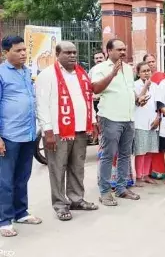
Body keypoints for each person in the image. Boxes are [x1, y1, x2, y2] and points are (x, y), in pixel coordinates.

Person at [36, 41, 99, 221]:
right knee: (58, 168)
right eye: (67, 53)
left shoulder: (81, 73)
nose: (72, 56)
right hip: (57, 131)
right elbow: (42, 105)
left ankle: (76, 199)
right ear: (58, 54)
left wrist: (93, 121)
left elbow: (88, 99)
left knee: (77, 167)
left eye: (74, 53)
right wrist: (47, 131)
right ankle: (60, 204)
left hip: (80, 129)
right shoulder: (48, 75)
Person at [92, 39, 144, 206]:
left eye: (124, 49)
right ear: (109, 51)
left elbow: (128, 89)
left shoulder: (128, 69)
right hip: (110, 118)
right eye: (119, 49)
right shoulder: (99, 69)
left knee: (125, 154)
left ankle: (121, 188)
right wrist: (112, 73)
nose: (123, 52)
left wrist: (138, 99)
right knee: (108, 155)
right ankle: (105, 192)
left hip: (128, 118)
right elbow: (96, 89)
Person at [0, 36, 42, 237]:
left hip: (28, 133)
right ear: (5, 53)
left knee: (22, 177)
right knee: (5, 179)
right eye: (18, 50)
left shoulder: (26, 72)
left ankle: (21, 212)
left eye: (25, 50)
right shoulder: (1, 73)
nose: (23, 53)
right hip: (9, 135)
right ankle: (4, 220)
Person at [133, 62, 160, 187]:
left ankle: (146, 174)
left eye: (148, 70)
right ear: (138, 73)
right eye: (143, 71)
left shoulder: (155, 86)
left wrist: (158, 118)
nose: (146, 73)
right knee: (141, 151)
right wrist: (145, 86)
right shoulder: (135, 85)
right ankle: (139, 176)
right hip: (140, 122)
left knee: (150, 150)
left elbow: (158, 104)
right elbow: (138, 101)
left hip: (153, 122)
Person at [144, 53, 165, 180]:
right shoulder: (141, 81)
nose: (151, 64)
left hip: (159, 114)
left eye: (153, 61)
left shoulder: (161, 76)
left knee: (158, 144)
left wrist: (160, 116)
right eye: (148, 62)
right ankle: (146, 171)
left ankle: (160, 170)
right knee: (146, 145)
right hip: (144, 116)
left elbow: (164, 97)